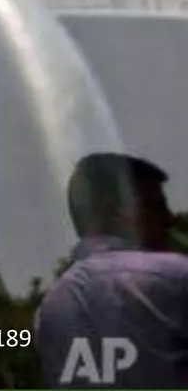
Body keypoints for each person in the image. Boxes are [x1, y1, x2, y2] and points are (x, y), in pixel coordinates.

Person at [35, 153, 188, 388]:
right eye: (155, 207)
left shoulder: (47, 314)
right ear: (113, 210)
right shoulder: (171, 275)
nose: (169, 219)